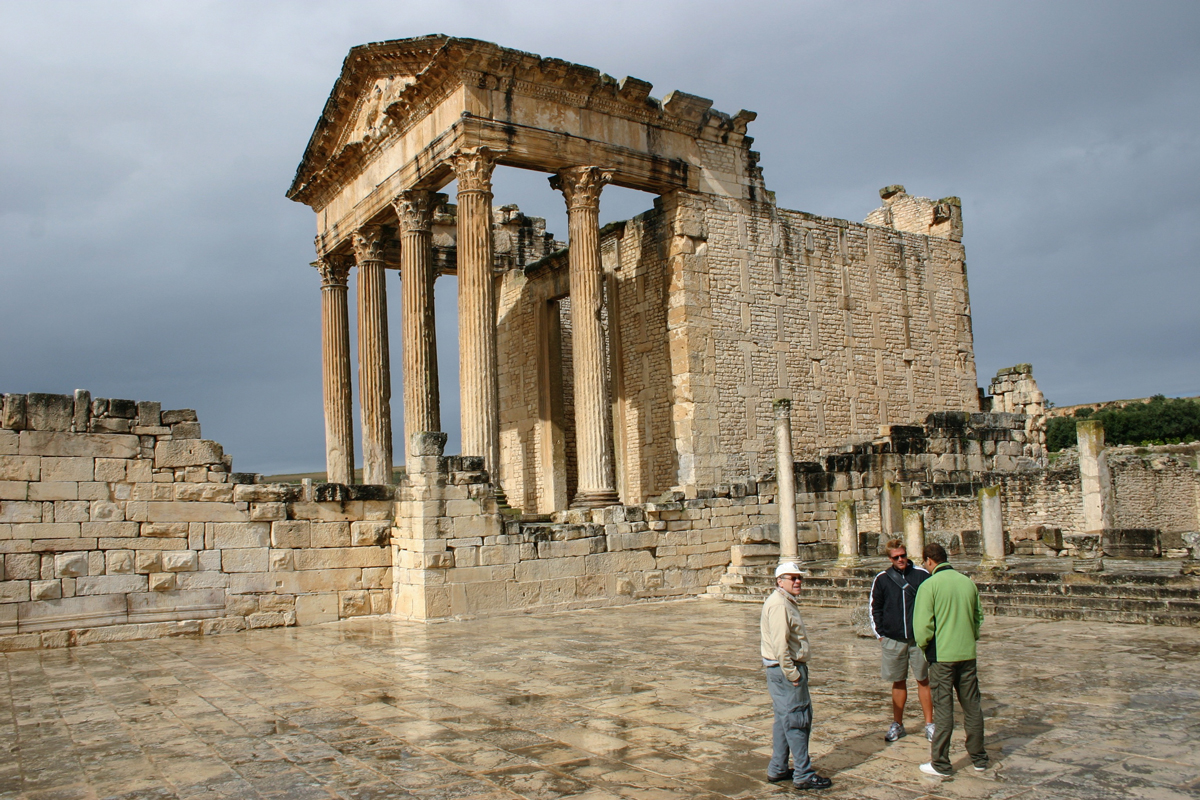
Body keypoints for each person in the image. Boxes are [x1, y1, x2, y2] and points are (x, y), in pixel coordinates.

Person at [912, 542, 989, 777]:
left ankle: (941, 763)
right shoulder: (967, 582)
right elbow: (978, 617)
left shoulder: (930, 585)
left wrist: (925, 647)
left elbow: (922, 626)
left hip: (942, 656)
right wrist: (969, 637)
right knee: (972, 706)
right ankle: (979, 758)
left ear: (929, 561)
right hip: (967, 653)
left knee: (944, 710)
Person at [760, 561, 832, 791]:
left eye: (799, 577)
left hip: (778, 670)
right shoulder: (780, 605)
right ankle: (803, 773)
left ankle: (778, 768)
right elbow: (781, 645)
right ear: (780, 581)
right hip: (786, 670)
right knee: (798, 719)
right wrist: (792, 674)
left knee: (784, 718)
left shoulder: (782, 601)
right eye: (793, 578)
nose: (798, 581)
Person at [869, 539, 934, 743]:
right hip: (894, 638)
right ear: (890, 559)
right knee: (898, 681)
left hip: (918, 639)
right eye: (896, 557)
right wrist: (880, 634)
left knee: (923, 680)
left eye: (903, 555)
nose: (901, 560)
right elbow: (875, 607)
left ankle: (929, 723)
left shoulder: (922, 576)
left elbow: (932, 603)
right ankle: (897, 723)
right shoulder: (882, 579)